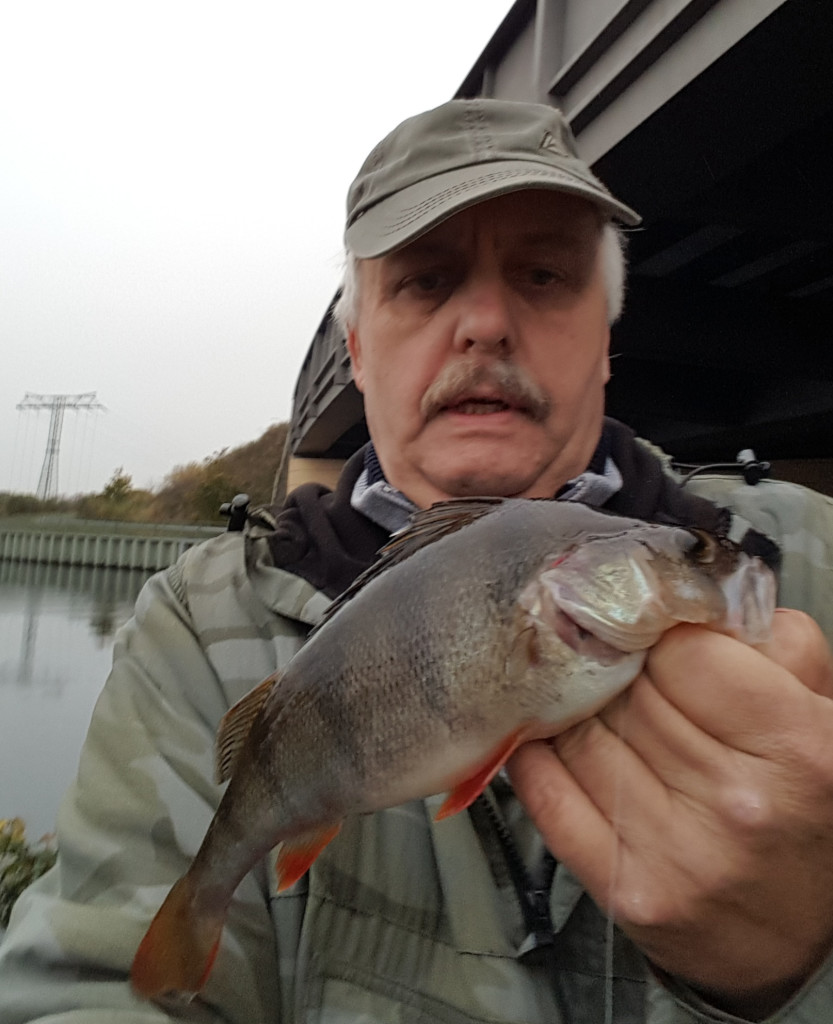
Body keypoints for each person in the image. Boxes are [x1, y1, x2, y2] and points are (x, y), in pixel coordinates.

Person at [1, 97, 833, 1024]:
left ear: (607, 340)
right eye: (426, 283)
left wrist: (801, 966)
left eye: (545, 275)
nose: (483, 322)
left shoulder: (809, 561)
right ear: (355, 352)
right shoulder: (194, 627)